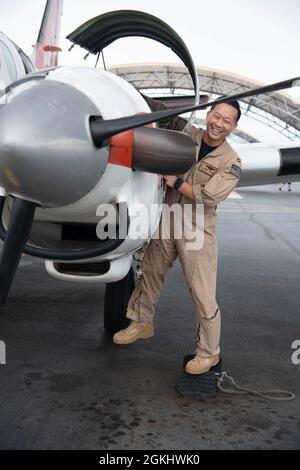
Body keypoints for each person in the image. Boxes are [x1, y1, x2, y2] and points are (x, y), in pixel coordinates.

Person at [113, 98, 242, 375]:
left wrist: (177, 182)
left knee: (202, 292)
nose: (219, 124)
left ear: (233, 127)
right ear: (208, 115)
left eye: (227, 121)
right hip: (167, 219)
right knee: (150, 271)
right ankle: (141, 322)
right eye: (216, 116)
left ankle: (208, 353)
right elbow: (163, 133)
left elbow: (209, 196)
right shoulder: (188, 137)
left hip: (196, 228)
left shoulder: (231, 161)